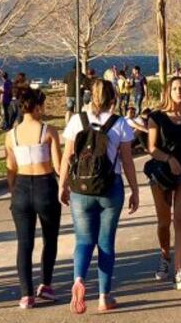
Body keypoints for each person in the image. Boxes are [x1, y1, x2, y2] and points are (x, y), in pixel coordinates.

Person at [60, 79, 140, 314]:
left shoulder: (77, 121)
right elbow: (127, 161)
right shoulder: (120, 124)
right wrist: (134, 189)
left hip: (81, 190)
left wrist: (62, 185)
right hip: (110, 188)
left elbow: (67, 156)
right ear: (112, 97)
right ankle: (104, 297)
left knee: (83, 240)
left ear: (90, 96)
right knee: (106, 242)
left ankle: (78, 280)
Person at [5, 88, 63, 308]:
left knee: (24, 243)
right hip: (45, 185)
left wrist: (13, 193)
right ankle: (45, 285)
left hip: (21, 187)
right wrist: (65, 185)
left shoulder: (11, 136)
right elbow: (57, 166)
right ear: (38, 106)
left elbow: (10, 169)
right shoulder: (48, 131)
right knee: (50, 238)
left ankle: (26, 294)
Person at [146, 76, 181, 290]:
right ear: (168, 92)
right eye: (175, 88)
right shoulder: (156, 117)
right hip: (161, 174)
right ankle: (165, 257)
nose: (179, 92)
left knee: (180, 220)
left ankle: (179, 270)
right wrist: (169, 159)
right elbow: (152, 148)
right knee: (164, 221)